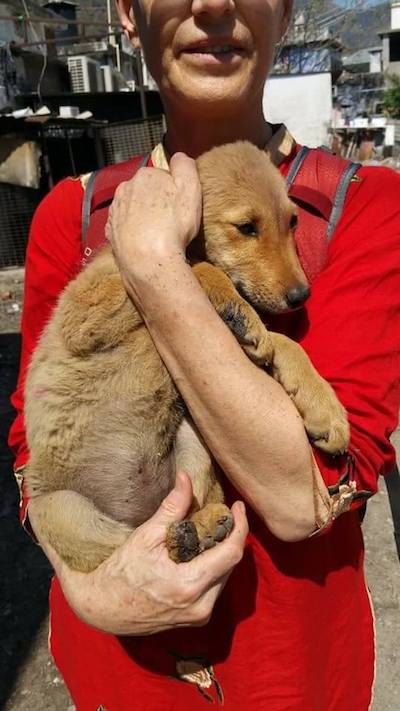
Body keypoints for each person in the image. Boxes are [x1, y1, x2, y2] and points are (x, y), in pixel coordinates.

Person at [8, 1, 400, 709]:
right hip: (117, 679)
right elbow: (31, 449)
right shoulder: (73, 212)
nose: (212, 4)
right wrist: (94, 589)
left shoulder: (368, 206)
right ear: (127, 14)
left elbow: (304, 493)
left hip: (295, 681)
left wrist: (161, 268)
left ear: (285, 13)